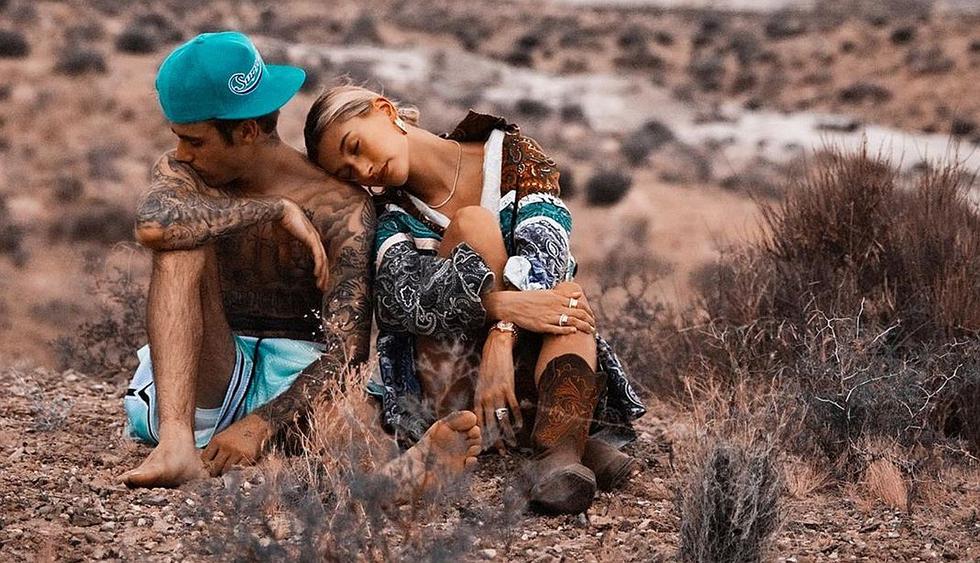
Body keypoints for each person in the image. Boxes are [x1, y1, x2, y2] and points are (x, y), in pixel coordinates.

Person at [119, 32, 481, 499]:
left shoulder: (341, 207)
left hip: (295, 382)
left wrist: (260, 423)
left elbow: (346, 352)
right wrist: (271, 210)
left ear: (246, 132)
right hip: (203, 374)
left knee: (353, 411)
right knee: (181, 239)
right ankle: (175, 447)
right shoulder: (187, 174)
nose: (182, 152)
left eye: (195, 141)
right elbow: (153, 226)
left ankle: (395, 481)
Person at [303, 85, 647, 514]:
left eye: (355, 147)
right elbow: (401, 302)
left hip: (516, 366)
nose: (364, 170)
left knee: (565, 295)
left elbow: (549, 248)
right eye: (350, 172)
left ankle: (557, 457)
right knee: (474, 225)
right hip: (450, 384)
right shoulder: (390, 214)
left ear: (384, 110)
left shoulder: (513, 156)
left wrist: (503, 333)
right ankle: (560, 434)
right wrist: (501, 308)